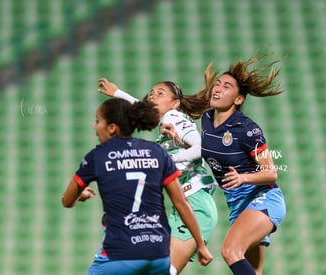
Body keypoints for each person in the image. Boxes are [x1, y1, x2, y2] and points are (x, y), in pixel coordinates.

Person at [161, 53, 287, 275]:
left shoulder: (247, 129)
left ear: (238, 99)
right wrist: (177, 140)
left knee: (230, 251)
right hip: (237, 206)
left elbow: (271, 173)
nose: (217, 89)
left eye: (226, 86)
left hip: (262, 199)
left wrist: (243, 177)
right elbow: (205, 151)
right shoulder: (207, 120)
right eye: (217, 84)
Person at [61, 97, 213, 275]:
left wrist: (81, 195)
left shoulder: (97, 156)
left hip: (120, 254)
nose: (95, 127)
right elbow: (181, 202)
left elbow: (67, 201)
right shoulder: (156, 152)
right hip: (158, 254)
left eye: (97, 121)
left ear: (112, 128)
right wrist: (201, 245)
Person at [97, 78, 218, 274]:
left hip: (195, 205)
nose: (153, 95)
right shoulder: (166, 121)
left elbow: (201, 148)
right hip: (186, 208)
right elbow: (141, 105)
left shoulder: (173, 117)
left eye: (160, 93)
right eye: (152, 92)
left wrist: (169, 158)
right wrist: (118, 93)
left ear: (175, 103)